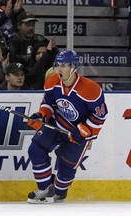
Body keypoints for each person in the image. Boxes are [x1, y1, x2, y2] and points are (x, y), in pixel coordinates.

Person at [26, 50, 108, 203]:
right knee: (35, 149)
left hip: (78, 132)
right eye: (57, 65)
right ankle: (45, 189)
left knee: (67, 168)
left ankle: (58, 192)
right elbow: (48, 104)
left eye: (63, 65)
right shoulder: (52, 81)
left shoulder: (91, 89)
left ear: (74, 67)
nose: (59, 69)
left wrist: (85, 130)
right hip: (57, 123)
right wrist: (41, 115)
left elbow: (100, 115)